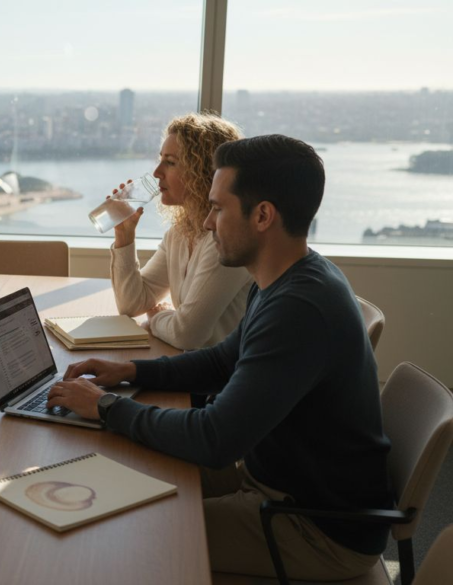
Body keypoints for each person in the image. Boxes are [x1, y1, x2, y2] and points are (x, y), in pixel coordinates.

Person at [49, 135, 391, 581]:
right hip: (275, 482)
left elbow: (214, 440)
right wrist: (129, 371)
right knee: (119, 468)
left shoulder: (299, 310)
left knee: (128, 534)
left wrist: (106, 405)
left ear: (263, 215)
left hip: (314, 528)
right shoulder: (289, 278)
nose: (207, 223)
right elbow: (219, 362)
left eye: (217, 208)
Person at [110, 113, 252, 349]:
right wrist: (125, 236)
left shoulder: (225, 241)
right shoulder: (179, 233)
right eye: (160, 159)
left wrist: (156, 317)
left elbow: (186, 334)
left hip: (218, 382)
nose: (157, 172)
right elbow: (132, 304)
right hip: (189, 369)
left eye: (170, 162)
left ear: (203, 172)